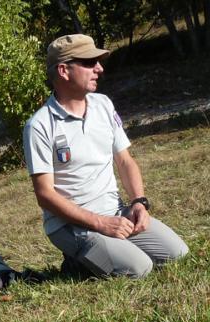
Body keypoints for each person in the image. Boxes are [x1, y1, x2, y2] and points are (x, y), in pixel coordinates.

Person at [23, 34, 189, 278]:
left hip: (116, 211)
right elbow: (45, 195)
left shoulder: (103, 105)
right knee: (138, 269)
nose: (99, 68)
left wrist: (139, 203)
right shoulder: (39, 126)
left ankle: (110, 250)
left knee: (178, 254)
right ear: (63, 70)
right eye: (90, 63)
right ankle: (76, 263)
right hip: (71, 226)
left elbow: (124, 160)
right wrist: (100, 224)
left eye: (98, 62)